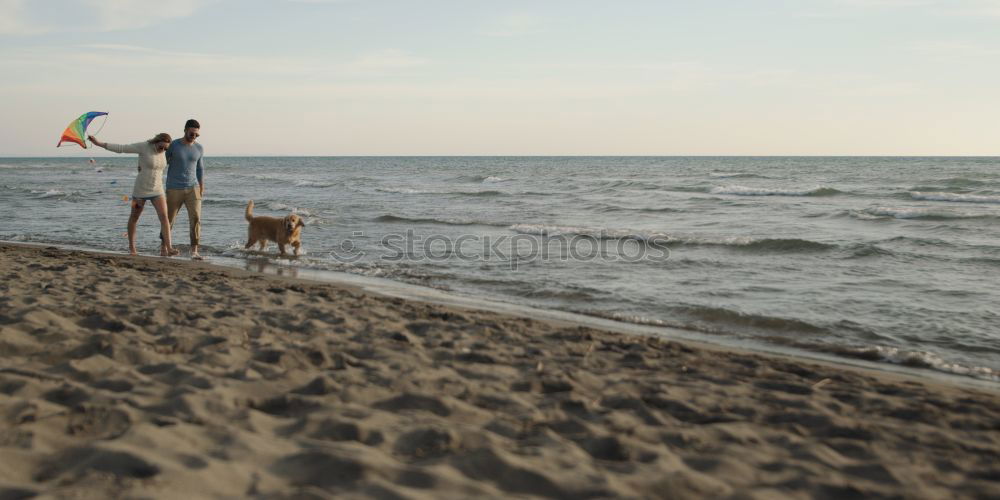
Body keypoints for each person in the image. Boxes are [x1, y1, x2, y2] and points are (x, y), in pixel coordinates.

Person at [88, 133, 179, 257]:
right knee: (134, 217)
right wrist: (99, 143)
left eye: (165, 148)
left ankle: (169, 248)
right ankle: (132, 248)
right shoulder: (143, 146)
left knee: (164, 218)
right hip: (140, 191)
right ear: (156, 142)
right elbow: (122, 148)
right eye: (161, 147)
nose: (162, 150)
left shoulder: (164, 151)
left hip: (158, 190)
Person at [164, 119, 205, 259]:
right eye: (192, 133)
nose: (194, 136)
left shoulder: (199, 148)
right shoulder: (173, 145)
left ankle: (194, 251)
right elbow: (162, 161)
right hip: (174, 188)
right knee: (169, 220)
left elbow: (200, 168)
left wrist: (201, 186)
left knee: (196, 218)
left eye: (196, 135)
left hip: (193, 188)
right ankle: (164, 247)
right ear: (185, 130)